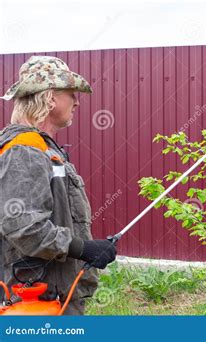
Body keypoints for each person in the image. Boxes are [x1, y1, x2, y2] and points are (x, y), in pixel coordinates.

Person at [0, 56, 116, 315]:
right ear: (50, 98)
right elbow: (23, 226)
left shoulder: (43, 149)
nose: (77, 101)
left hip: (55, 296)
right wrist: (83, 248)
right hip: (34, 303)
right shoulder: (24, 150)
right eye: (71, 94)